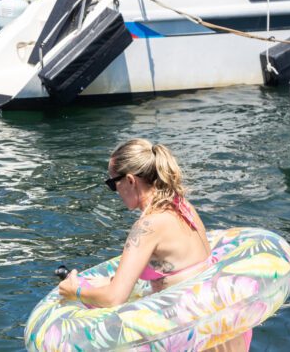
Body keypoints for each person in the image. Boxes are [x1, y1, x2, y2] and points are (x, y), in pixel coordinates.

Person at [58, 139, 249, 351]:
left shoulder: (147, 226)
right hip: (223, 327)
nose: (114, 192)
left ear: (130, 181)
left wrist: (76, 291)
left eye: (112, 184)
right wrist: (110, 280)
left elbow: (114, 298)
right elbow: (175, 271)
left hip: (194, 338)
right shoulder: (181, 205)